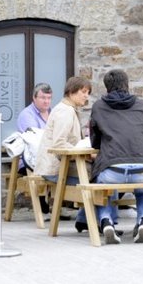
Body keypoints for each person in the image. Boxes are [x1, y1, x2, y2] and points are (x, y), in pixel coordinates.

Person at [89, 69, 143, 244]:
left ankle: (106, 221)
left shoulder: (98, 107)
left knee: (102, 185)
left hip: (112, 168)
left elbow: (94, 142)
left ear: (106, 87)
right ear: (127, 84)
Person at [34, 75, 93, 232]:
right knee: (101, 175)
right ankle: (95, 221)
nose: (86, 96)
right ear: (72, 92)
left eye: (88, 92)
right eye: (84, 91)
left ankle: (87, 220)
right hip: (55, 169)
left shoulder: (67, 109)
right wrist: (83, 150)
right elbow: (59, 144)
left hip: (63, 164)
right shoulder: (65, 111)